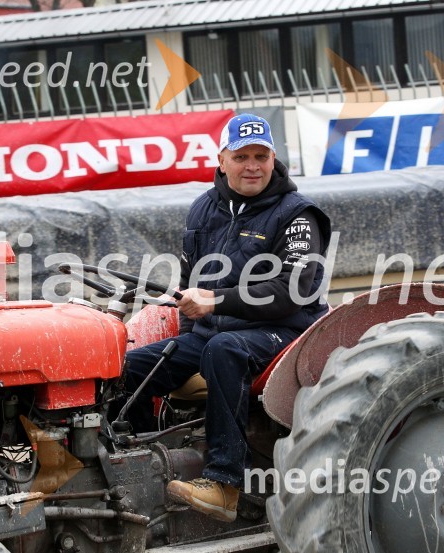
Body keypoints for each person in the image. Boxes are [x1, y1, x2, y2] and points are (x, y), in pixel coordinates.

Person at [118, 113, 331, 522]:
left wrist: (214, 303)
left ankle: (225, 485)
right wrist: (187, 335)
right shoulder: (203, 209)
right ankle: (136, 464)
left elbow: (293, 292)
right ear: (221, 159)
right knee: (130, 368)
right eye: (241, 156)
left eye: (261, 156)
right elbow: (188, 284)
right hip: (213, 332)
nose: (252, 165)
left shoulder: (298, 215)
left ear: (273, 158)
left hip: (285, 334)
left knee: (223, 349)